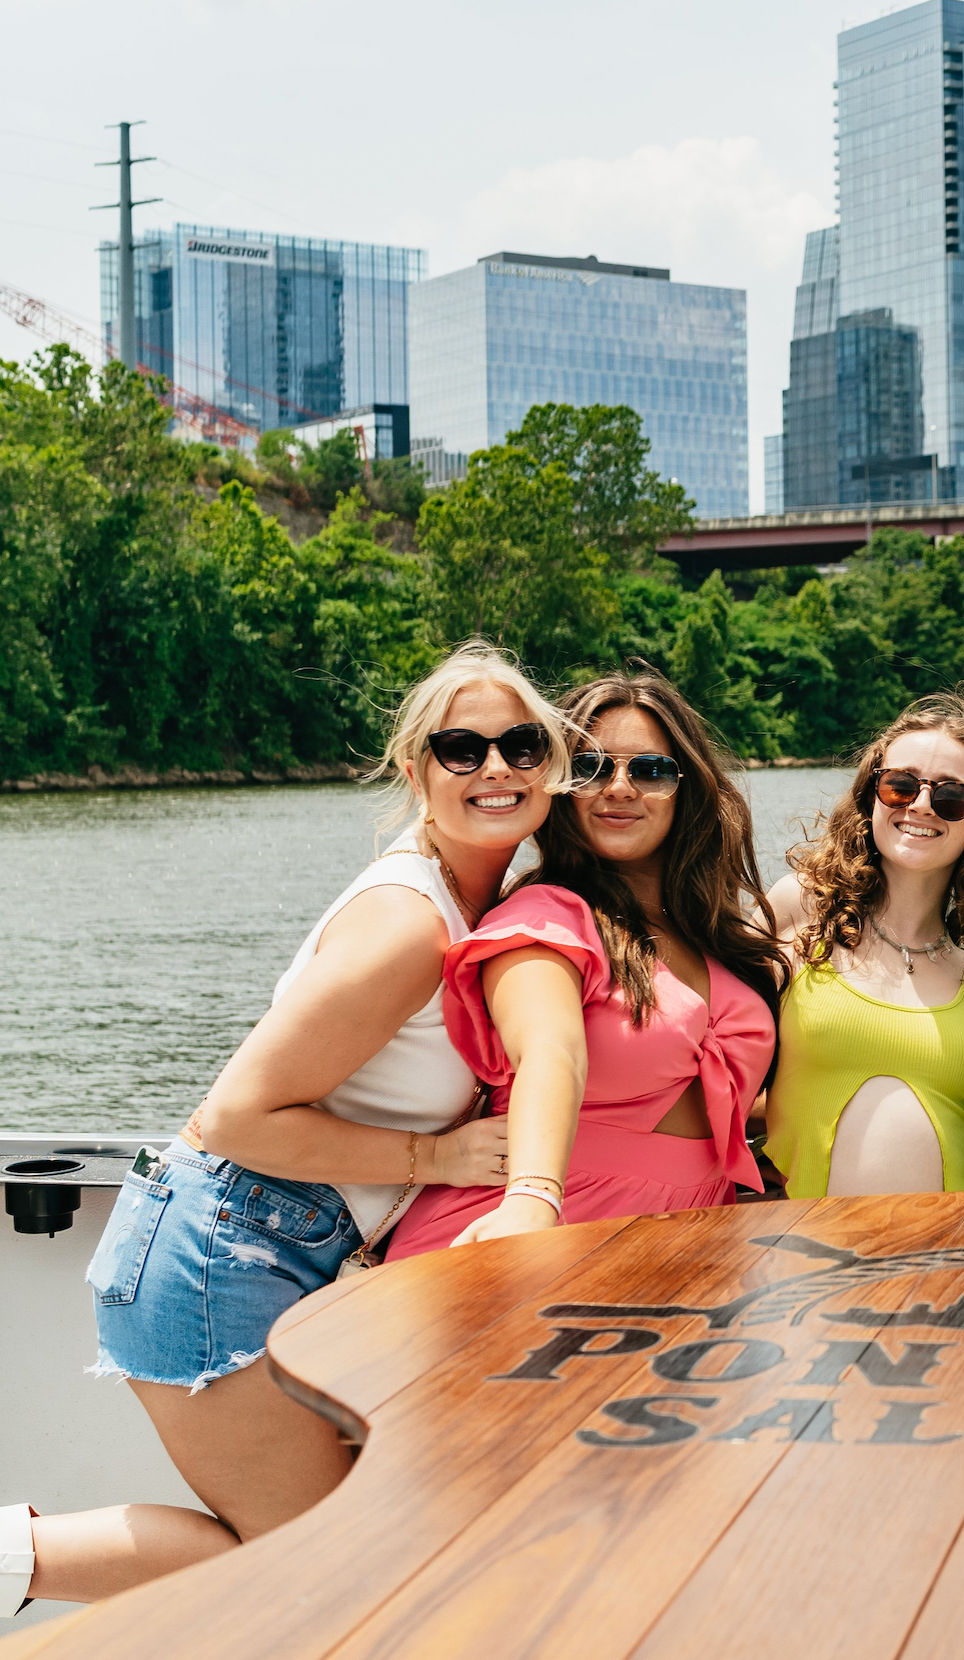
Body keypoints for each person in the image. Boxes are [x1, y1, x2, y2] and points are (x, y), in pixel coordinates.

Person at [4, 643, 565, 1615]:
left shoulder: (504, 899)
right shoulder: (409, 924)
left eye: (520, 744)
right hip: (217, 1254)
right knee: (334, 1565)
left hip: (275, 1253)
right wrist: (436, 1159)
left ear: (552, 764)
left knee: (348, 1550)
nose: (495, 769)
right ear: (416, 769)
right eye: (461, 748)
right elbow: (232, 1118)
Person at [385, 672, 781, 1256]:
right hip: (534, 1233)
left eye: (649, 770)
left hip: (691, 1244)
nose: (619, 788)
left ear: (686, 789)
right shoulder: (546, 918)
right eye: (593, 768)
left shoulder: (722, 943)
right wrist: (532, 1196)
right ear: (563, 786)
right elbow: (550, 1051)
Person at [763, 694, 964, 1195]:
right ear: (872, 794)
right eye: (899, 786)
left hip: (948, 1259)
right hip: (801, 1256)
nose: (921, 805)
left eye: (952, 797)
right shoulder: (798, 911)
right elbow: (708, 1046)